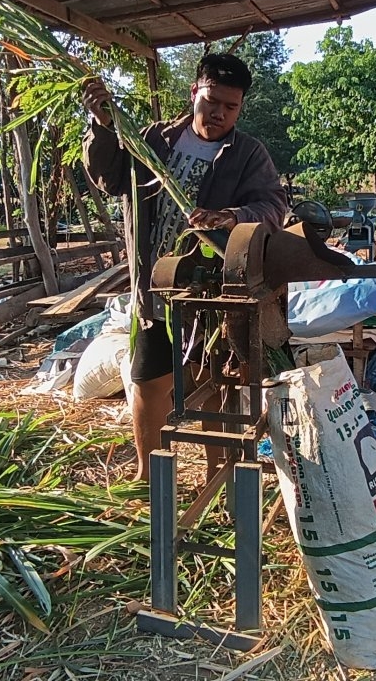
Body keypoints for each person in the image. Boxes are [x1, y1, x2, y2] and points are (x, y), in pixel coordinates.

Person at [82, 53, 289, 482]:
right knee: (147, 380)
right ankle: (147, 476)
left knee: (211, 386)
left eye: (230, 107)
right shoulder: (154, 140)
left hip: (210, 291)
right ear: (195, 92)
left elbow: (273, 207)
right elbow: (109, 177)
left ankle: (218, 472)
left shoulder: (248, 154)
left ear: (241, 108)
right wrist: (102, 128)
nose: (218, 113)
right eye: (211, 101)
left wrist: (232, 215)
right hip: (157, 287)